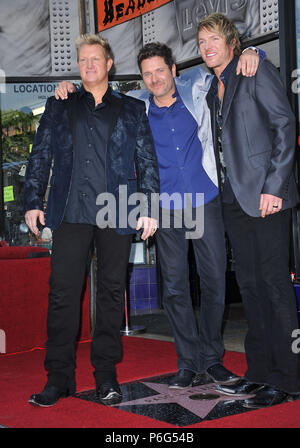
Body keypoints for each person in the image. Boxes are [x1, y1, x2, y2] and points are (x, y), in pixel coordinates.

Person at [55, 42, 260, 389]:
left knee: (213, 281)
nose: (154, 79)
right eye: (147, 74)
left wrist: (255, 51)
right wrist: (68, 88)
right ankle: (187, 360)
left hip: (202, 198)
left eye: (160, 71)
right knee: (176, 287)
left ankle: (211, 358)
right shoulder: (136, 107)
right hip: (165, 207)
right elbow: (99, 91)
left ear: (173, 69)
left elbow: (225, 61)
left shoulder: (196, 88)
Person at [24, 33, 160, 407]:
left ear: (108, 64)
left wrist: (148, 206)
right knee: (63, 294)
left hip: (117, 209)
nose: (88, 66)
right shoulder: (61, 104)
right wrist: (32, 200)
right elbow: (41, 154)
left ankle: (106, 376)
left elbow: (146, 160)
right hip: (70, 211)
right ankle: (59, 378)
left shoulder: (132, 109)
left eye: (95, 59)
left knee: (112, 293)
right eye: (83, 60)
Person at [197, 13, 300, 408]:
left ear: (232, 43)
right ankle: (259, 371)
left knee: (274, 286)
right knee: (252, 289)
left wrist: (274, 187)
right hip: (234, 202)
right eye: (201, 41)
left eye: (214, 40)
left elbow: (285, 126)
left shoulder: (254, 71)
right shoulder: (211, 89)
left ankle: (288, 378)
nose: (207, 47)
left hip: (267, 197)